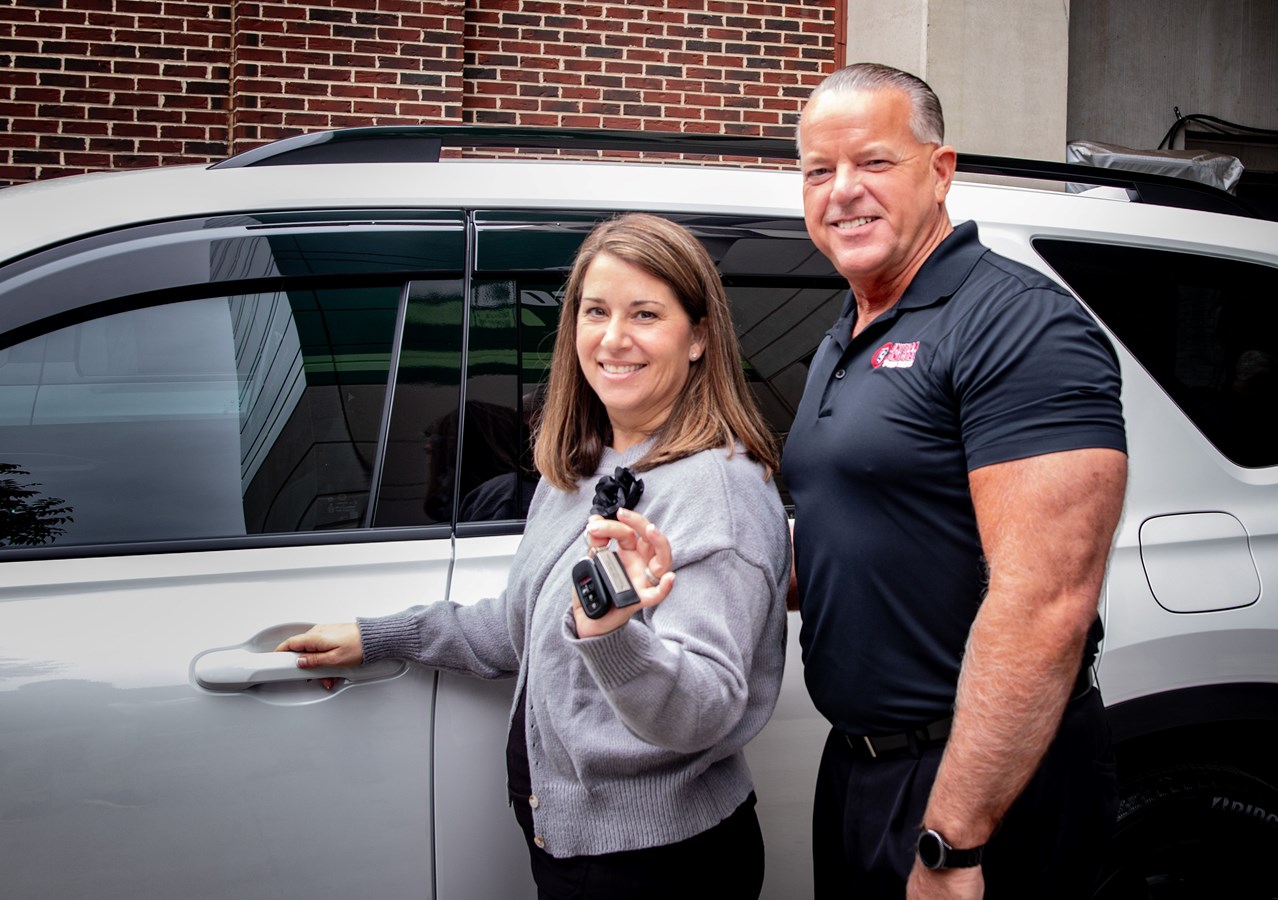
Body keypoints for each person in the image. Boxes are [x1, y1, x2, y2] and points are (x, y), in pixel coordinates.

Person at [276, 213, 790, 900]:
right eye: (595, 311)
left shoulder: (716, 493)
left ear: (698, 337)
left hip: (655, 863)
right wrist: (382, 636)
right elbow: (519, 626)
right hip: (570, 840)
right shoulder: (579, 471)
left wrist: (610, 631)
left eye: (645, 314)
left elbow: (703, 710)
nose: (613, 338)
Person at [781, 63, 1129, 899]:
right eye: (817, 171)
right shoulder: (853, 323)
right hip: (864, 769)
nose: (841, 192)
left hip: (981, 789)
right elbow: (860, 528)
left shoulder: (1016, 322)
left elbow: (1044, 607)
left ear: (940, 171)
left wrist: (954, 844)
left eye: (873, 162)